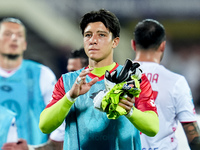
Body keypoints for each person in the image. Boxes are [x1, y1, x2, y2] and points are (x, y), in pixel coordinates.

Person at [39, 9, 159, 150]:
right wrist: (70, 97)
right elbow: (44, 126)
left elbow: (153, 128)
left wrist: (129, 111)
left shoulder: (132, 79)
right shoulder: (68, 81)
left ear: (115, 42)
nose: (93, 40)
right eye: (88, 35)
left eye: (101, 35)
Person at [131, 19, 200, 150]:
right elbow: (192, 135)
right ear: (163, 46)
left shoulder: (115, 79)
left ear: (133, 45)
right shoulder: (176, 82)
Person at [0, 18, 63, 149]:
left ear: (25, 44)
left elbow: (61, 122)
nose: (14, 39)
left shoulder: (42, 74)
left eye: (19, 35)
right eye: (7, 34)